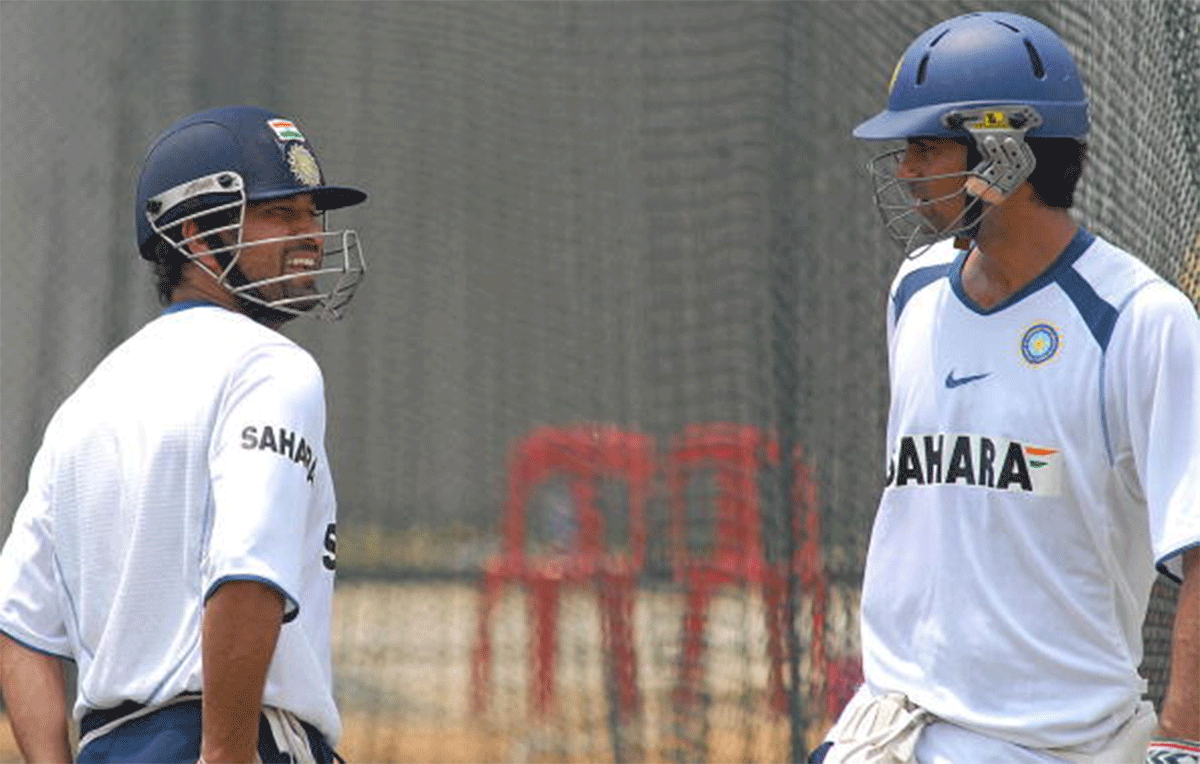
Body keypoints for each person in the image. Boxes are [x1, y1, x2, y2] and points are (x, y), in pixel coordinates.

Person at [812, 12, 1200, 764]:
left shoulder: (1141, 321)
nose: (905, 169)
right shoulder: (915, 289)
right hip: (888, 726)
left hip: (1045, 744)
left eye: (925, 146)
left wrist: (1183, 739)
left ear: (1005, 157)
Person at [0, 105, 368, 764]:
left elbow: (17, 630)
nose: (311, 233)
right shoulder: (271, 368)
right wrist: (226, 753)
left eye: (312, 213)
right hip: (240, 737)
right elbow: (247, 571)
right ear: (195, 236)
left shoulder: (84, 405)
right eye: (280, 213)